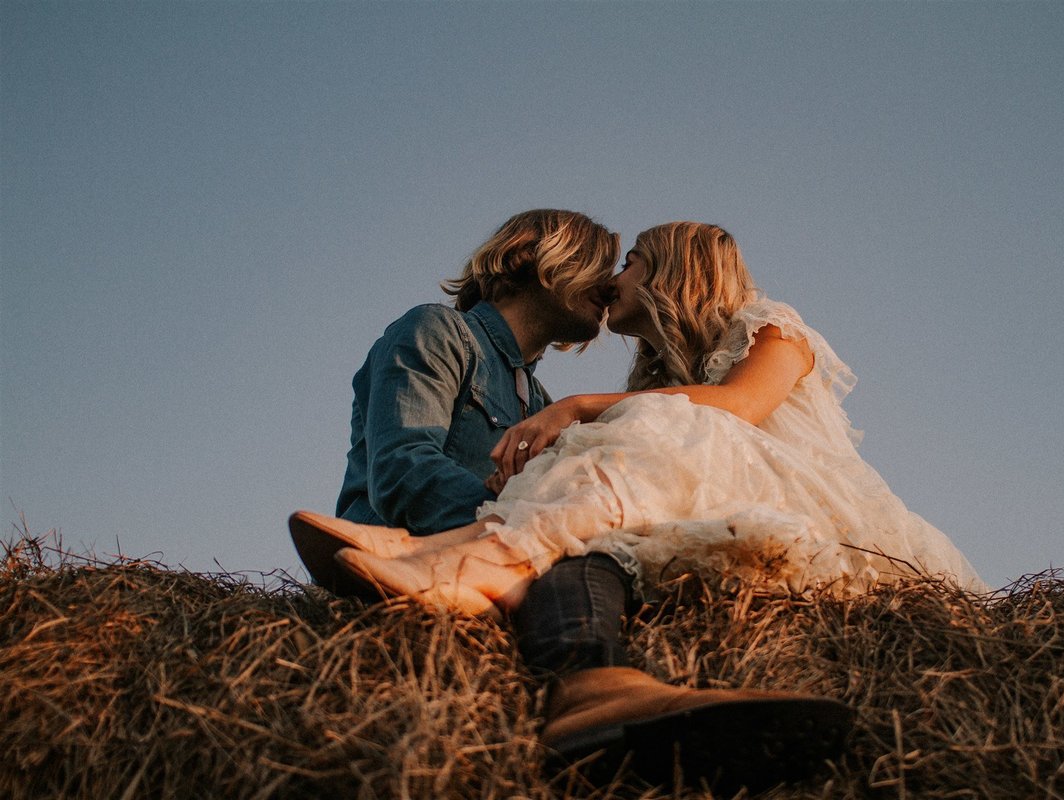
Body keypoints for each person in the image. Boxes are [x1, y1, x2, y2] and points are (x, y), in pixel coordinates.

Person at [291, 212, 853, 790]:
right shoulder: (440, 333)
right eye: (603, 262)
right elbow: (403, 470)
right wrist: (536, 525)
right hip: (428, 524)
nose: (610, 282)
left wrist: (553, 490)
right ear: (534, 255)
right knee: (589, 528)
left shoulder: (546, 400)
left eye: (625, 264)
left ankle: (473, 572)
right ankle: (473, 572)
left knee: (598, 526)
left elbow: (731, 408)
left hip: (530, 538)